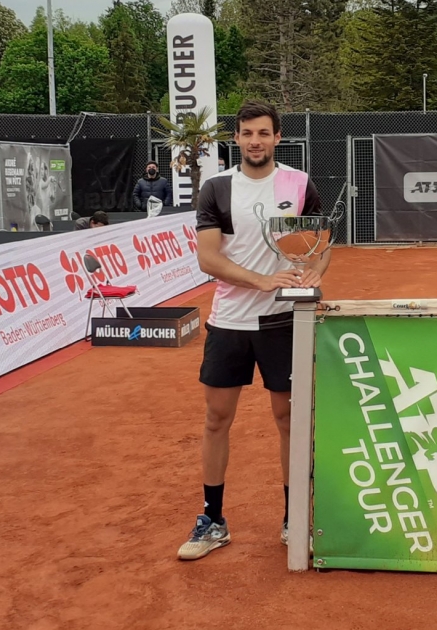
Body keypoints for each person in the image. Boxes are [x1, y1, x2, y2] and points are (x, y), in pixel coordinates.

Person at [177, 99, 330, 561]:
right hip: (229, 323)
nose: (255, 141)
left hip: (283, 322)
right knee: (216, 419)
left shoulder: (299, 184)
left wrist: (314, 273)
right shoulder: (217, 189)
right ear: (237, 138)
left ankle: (293, 519)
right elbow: (209, 258)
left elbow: (319, 244)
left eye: (264, 133)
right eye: (247, 134)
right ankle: (213, 520)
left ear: (278, 137)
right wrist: (262, 279)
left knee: (289, 420)